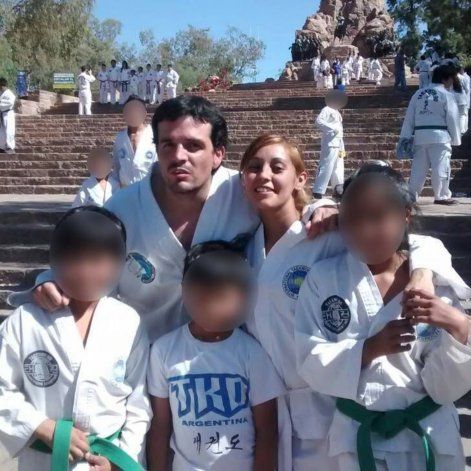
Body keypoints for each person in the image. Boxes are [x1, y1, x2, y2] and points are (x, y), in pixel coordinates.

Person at [240, 139, 456, 471]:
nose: (264, 175)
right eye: (254, 167)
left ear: (301, 178)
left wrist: (424, 272)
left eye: (277, 167)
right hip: (270, 407)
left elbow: (409, 240)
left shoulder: (327, 232)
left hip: (336, 403)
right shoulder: (241, 243)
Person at [295, 163, 471, 470]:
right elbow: (308, 357)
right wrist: (368, 349)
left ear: (405, 215)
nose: (363, 230)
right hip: (358, 438)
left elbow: (446, 388)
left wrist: (459, 327)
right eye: (351, 219)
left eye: (377, 217)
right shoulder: (324, 278)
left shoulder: (435, 282)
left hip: (428, 436)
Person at [0, 206, 151, 470]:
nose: (84, 271)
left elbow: (139, 405)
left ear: (119, 263)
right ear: (54, 260)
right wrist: (41, 426)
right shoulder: (25, 320)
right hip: (42, 460)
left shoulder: (128, 322)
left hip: (106, 458)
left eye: (97, 260)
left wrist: (119, 461)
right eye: (73, 259)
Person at [147, 242, 284, 470]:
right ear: (186, 289)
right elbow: (160, 426)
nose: (213, 303)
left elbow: (267, 429)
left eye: (222, 294)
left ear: (241, 295)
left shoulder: (251, 352)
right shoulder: (164, 350)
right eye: (205, 291)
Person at [399, 64, 461, 205]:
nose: (452, 82)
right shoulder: (447, 95)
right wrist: (456, 139)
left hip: (420, 136)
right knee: (441, 167)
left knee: (418, 169)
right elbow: (452, 118)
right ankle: (442, 196)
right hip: (440, 136)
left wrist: (405, 137)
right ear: (445, 79)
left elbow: (409, 118)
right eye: (451, 79)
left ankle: (411, 196)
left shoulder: (418, 94)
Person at [112, 96, 157, 187]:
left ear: (144, 113)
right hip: (126, 190)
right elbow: (116, 167)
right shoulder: (120, 138)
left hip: (149, 189)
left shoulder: (155, 136)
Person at [312, 90, 347, 199]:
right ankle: (318, 190)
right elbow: (318, 122)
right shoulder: (327, 109)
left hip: (338, 142)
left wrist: (342, 146)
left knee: (338, 167)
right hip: (330, 142)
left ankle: (338, 189)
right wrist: (332, 129)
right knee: (326, 165)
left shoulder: (337, 112)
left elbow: (340, 130)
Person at [0, 77, 16, 153]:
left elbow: (9, 103)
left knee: (9, 130)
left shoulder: (10, 94)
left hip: (8, 114)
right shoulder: (1, 93)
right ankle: (1, 147)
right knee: (2, 132)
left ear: (2, 85)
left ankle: (10, 147)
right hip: (2, 114)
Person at [456, 66, 469, 135]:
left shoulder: (451, 77)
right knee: (463, 115)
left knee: (455, 114)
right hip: (462, 97)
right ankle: (462, 130)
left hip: (452, 98)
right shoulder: (463, 78)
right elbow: (467, 89)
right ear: (460, 70)